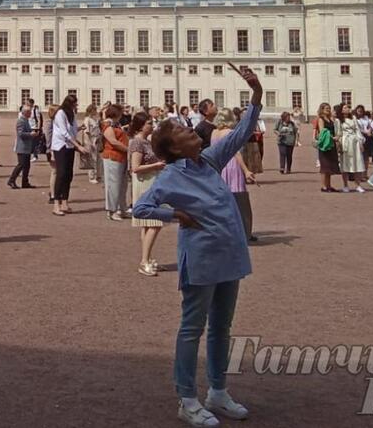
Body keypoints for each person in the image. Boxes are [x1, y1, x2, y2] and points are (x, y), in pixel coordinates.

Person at [132, 63, 262, 426]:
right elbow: (140, 207)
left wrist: (256, 94)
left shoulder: (208, 161)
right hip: (201, 258)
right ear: (173, 147)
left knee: (223, 327)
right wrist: (176, 216)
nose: (193, 132)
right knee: (192, 328)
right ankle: (187, 398)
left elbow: (241, 133)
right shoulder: (171, 175)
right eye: (185, 132)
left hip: (229, 254)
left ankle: (217, 391)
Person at [128, 112, 166, 276]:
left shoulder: (147, 141)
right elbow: (135, 168)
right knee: (155, 223)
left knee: (148, 224)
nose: (152, 125)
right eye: (149, 123)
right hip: (145, 184)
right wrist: (157, 165)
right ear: (141, 125)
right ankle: (144, 261)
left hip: (151, 182)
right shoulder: (137, 142)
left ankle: (148, 258)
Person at [213, 110, 257, 245]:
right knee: (241, 202)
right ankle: (245, 233)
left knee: (223, 202)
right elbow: (236, 153)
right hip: (232, 166)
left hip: (220, 166)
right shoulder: (230, 133)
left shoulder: (214, 133)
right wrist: (246, 170)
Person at [50, 95, 86, 216]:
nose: (76, 106)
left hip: (69, 146)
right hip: (60, 146)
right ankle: (56, 203)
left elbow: (73, 129)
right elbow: (64, 132)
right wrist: (78, 146)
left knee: (69, 174)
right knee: (61, 173)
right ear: (69, 104)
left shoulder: (72, 114)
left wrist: (79, 129)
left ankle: (65, 202)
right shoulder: (60, 113)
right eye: (74, 104)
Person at [101, 104, 129, 220]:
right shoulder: (107, 125)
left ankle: (121, 208)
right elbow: (112, 141)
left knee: (122, 184)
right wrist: (129, 149)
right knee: (113, 184)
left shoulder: (116, 124)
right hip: (112, 156)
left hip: (121, 157)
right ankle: (112, 210)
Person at [8, 104, 39, 189]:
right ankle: (11, 180)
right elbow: (20, 134)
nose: (31, 114)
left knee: (27, 165)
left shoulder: (25, 120)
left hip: (26, 147)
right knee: (21, 165)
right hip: (22, 147)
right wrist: (30, 134)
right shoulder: (21, 121)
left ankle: (25, 182)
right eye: (29, 112)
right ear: (25, 112)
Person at [337, 104, 366, 192]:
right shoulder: (339, 120)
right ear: (341, 110)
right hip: (345, 142)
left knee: (358, 162)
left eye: (348, 107)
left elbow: (357, 130)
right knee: (345, 164)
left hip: (355, 142)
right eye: (345, 108)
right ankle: (345, 185)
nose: (347, 109)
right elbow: (338, 133)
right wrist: (339, 145)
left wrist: (361, 142)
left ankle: (358, 184)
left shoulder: (353, 118)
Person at [314, 104, 340, 192]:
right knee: (324, 166)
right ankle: (324, 186)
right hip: (325, 145)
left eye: (329, 108)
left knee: (330, 166)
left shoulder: (330, 119)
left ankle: (329, 185)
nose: (328, 110)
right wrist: (332, 137)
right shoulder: (321, 119)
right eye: (326, 108)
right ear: (322, 109)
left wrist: (336, 137)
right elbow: (322, 132)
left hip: (331, 144)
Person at [81, 103, 103, 184]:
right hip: (91, 140)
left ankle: (98, 175)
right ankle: (92, 176)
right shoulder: (87, 120)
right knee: (92, 159)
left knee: (98, 159)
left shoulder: (94, 119)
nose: (96, 111)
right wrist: (89, 143)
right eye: (94, 110)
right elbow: (86, 132)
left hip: (96, 139)